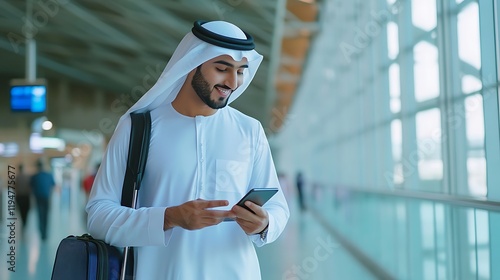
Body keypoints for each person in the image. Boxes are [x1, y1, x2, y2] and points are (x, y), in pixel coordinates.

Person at [86, 20, 290, 279]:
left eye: (240, 71)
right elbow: (99, 216)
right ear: (192, 62)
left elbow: (279, 209)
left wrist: (264, 224)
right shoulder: (139, 127)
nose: (233, 82)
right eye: (222, 68)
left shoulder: (250, 131)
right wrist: (169, 217)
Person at [30, 159, 56, 240]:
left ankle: (42, 232)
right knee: (46, 215)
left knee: (40, 215)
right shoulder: (49, 175)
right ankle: (44, 233)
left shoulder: (34, 176)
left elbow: (31, 187)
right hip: (46, 197)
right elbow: (53, 185)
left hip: (38, 198)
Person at [15, 163, 31, 233]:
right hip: (26, 196)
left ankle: (23, 222)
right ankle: (24, 222)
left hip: (20, 196)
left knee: (21, 211)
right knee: (25, 211)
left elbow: (14, 188)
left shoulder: (17, 177)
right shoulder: (27, 177)